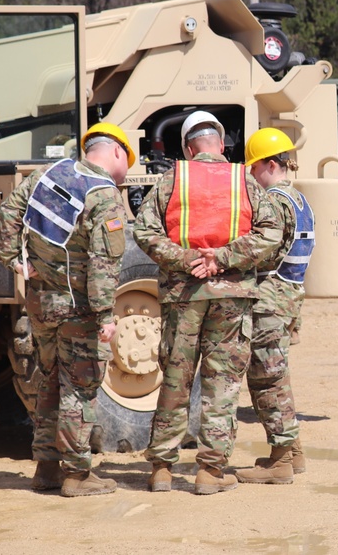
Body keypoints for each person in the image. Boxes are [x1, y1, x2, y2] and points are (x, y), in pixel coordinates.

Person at [134, 110, 282, 494]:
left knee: (175, 380)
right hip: (232, 298)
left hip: (183, 296)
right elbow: (271, 232)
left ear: (187, 147)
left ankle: (162, 470)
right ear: (222, 143)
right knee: (223, 382)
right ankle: (210, 472)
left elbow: (144, 230)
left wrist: (185, 259)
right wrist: (224, 258)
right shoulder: (244, 181)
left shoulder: (172, 179)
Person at [0, 122, 133, 497]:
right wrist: (106, 316)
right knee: (79, 386)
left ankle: (47, 467)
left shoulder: (48, 174)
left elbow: (9, 212)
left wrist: (14, 261)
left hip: (42, 302)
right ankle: (77, 474)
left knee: (48, 380)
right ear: (117, 152)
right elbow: (105, 262)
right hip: (79, 309)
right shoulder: (104, 195)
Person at [235, 128, 314, 484]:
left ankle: (280, 461)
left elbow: (263, 249)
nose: (251, 175)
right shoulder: (299, 200)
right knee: (278, 376)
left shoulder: (274, 202)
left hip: (270, 302)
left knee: (266, 380)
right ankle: (292, 453)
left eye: (254, 167)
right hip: (288, 298)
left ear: (270, 164)